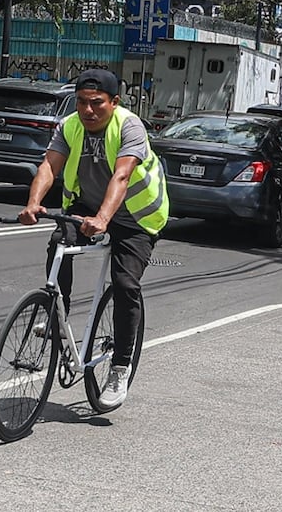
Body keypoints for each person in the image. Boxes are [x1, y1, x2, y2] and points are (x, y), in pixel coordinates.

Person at [17, 68, 169, 408]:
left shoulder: (130, 126)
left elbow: (123, 174)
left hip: (136, 216)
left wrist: (104, 219)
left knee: (125, 283)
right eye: (82, 103)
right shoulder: (69, 126)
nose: (88, 110)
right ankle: (58, 313)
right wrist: (33, 204)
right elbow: (48, 167)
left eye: (97, 103)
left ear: (114, 102)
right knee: (59, 241)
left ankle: (119, 367)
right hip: (87, 205)